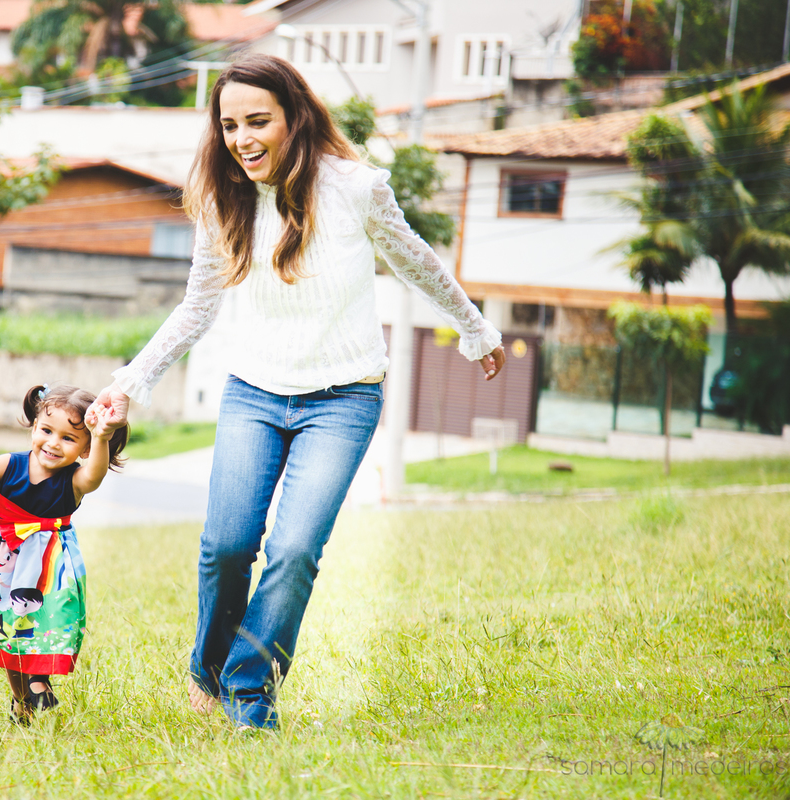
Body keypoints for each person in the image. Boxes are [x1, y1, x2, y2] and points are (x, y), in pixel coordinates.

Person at [92, 53, 506, 731]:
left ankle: (250, 694)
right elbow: (196, 306)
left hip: (343, 400)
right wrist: (130, 383)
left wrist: (475, 327)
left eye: (258, 121)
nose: (242, 138)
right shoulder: (223, 197)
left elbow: (417, 262)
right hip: (254, 390)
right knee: (227, 544)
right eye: (229, 125)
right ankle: (210, 666)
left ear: (295, 118)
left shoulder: (355, 187)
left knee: (293, 552)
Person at [0, 383, 128, 724]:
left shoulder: (76, 481)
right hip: (0, 561)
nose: (53, 442)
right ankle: (23, 699)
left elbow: (96, 475)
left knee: (41, 624)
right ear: (34, 427)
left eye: (69, 438)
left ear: (83, 449)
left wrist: (101, 437)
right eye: (47, 430)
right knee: (9, 632)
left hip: (45, 569)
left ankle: (39, 680)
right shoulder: (8, 465)